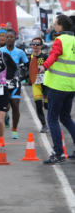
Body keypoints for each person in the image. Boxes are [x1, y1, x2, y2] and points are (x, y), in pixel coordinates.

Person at [39, 14, 75, 164]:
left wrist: (44, 66)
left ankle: (58, 153)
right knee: (66, 117)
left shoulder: (60, 40)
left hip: (57, 85)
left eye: (55, 23)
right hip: (71, 85)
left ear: (61, 26)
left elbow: (54, 55)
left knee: (52, 119)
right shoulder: (73, 40)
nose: (54, 26)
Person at [0, 29, 28, 139]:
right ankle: (5, 115)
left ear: (15, 38)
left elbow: (26, 65)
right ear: (4, 39)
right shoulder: (0, 50)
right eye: (7, 37)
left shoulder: (20, 52)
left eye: (11, 37)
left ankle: (14, 129)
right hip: (2, 82)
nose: (9, 39)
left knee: (15, 105)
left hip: (15, 82)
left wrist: (23, 76)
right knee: (5, 107)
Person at [28, 37, 49, 133]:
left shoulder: (45, 56)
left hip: (46, 84)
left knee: (47, 106)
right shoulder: (29, 57)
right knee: (38, 105)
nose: (35, 46)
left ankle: (52, 121)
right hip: (35, 85)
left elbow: (50, 68)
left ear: (41, 46)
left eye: (37, 44)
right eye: (33, 44)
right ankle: (44, 124)